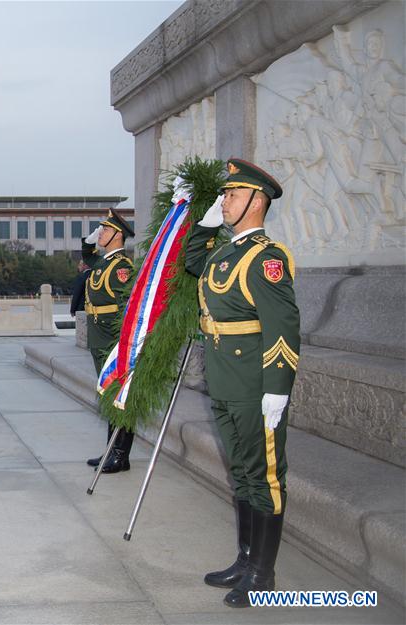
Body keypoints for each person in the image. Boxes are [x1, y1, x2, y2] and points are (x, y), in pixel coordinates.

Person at [185, 158, 300, 608]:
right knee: (243, 473)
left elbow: (283, 327)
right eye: (225, 195)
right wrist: (204, 224)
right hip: (225, 380)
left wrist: (278, 387)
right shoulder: (226, 251)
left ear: (258, 200)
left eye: (232, 195)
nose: (225, 201)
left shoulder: (267, 259)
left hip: (254, 384)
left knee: (265, 475)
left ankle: (262, 574)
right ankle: (245, 559)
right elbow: (194, 263)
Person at [81, 211, 136, 473]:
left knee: (118, 397)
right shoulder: (104, 262)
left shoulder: (122, 267)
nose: (100, 234)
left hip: (112, 339)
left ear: (118, 235)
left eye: (104, 231)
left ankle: (120, 454)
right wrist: (88, 241)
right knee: (108, 396)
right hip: (99, 336)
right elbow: (87, 257)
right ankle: (111, 450)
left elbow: (128, 306)